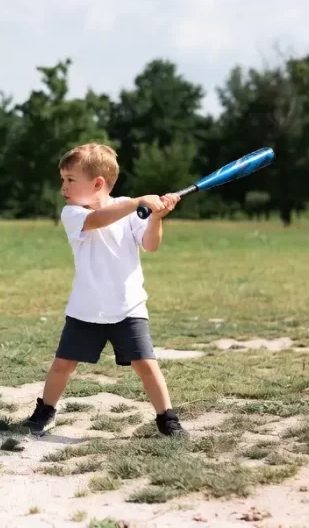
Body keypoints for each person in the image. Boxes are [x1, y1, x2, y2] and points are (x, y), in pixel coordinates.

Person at [25, 142, 188, 437]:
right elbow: (98, 220)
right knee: (63, 364)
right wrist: (138, 202)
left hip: (128, 307)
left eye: (70, 180)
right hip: (86, 309)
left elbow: (150, 245)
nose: (63, 186)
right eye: (63, 179)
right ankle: (45, 411)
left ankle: (167, 418)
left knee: (146, 365)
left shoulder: (130, 209)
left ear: (98, 183)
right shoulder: (73, 213)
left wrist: (155, 218)